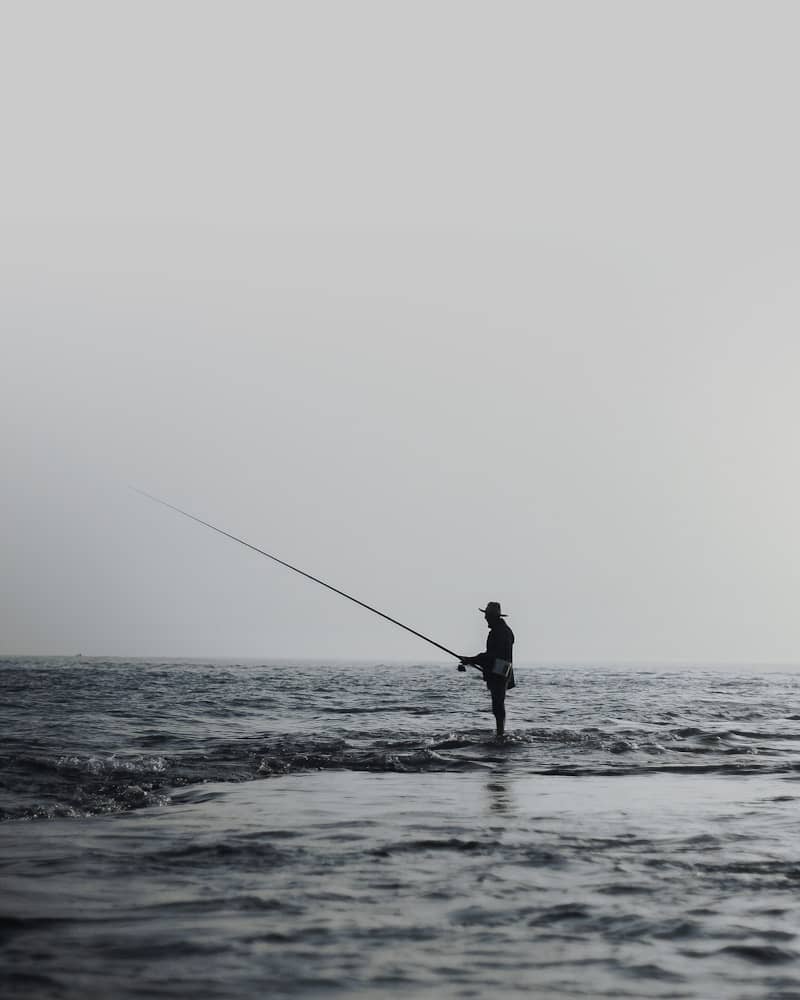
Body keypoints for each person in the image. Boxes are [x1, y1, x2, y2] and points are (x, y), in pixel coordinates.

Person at [459, 601, 515, 738]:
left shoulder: (500, 632)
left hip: (500, 670)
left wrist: (471, 659)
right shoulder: (504, 631)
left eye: (487, 615)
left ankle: (500, 734)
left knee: (498, 704)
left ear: (493, 616)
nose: (485, 618)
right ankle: (500, 732)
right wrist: (472, 660)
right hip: (503, 668)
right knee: (498, 704)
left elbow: (492, 656)